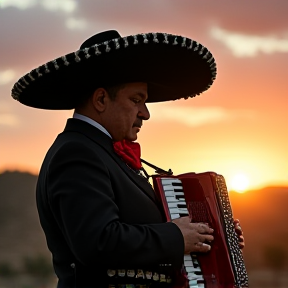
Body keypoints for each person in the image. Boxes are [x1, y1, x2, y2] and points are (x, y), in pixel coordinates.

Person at [11, 30, 244, 288]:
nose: (145, 113)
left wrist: (211, 238)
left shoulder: (100, 152)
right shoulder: (76, 152)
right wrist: (176, 237)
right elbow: (99, 241)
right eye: (136, 100)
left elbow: (139, 238)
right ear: (100, 99)